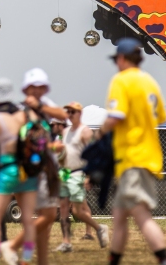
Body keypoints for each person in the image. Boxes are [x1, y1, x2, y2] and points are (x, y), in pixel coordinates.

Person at [99, 38, 166, 265]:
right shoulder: (149, 82)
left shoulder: (122, 80)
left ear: (121, 58)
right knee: (119, 216)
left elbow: (116, 115)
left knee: (141, 216)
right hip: (148, 157)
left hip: (132, 158)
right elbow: (161, 116)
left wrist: (99, 133)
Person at [0, 68, 70, 265]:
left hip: (43, 169)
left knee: (42, 220)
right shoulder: (24, 113)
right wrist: (50, 146)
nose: (38, 90)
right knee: (47, 216)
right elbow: (28, 142)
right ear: (26, 88)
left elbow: (63, 115)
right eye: (34, 87)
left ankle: (37, 261)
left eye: (41, 87)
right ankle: (12, 246)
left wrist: (41, 106)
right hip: (34, 170)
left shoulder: (44, 105)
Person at [0, 77, 39, 265]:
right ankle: (26, 259)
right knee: (28, 219)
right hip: (27, 171)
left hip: (7, 169)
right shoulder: (24, 116)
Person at [57, 101, 108, 253]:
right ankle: (66, 242)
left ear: (80, 114)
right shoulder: (66, 132)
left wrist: (89, 176)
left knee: (78, 211)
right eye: (68, 112)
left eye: (73, 112)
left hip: (78, 173)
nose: (70, 115)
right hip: (65, 173)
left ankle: (99, 228)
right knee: (64, 208)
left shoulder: (85, 132)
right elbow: (65, 153)